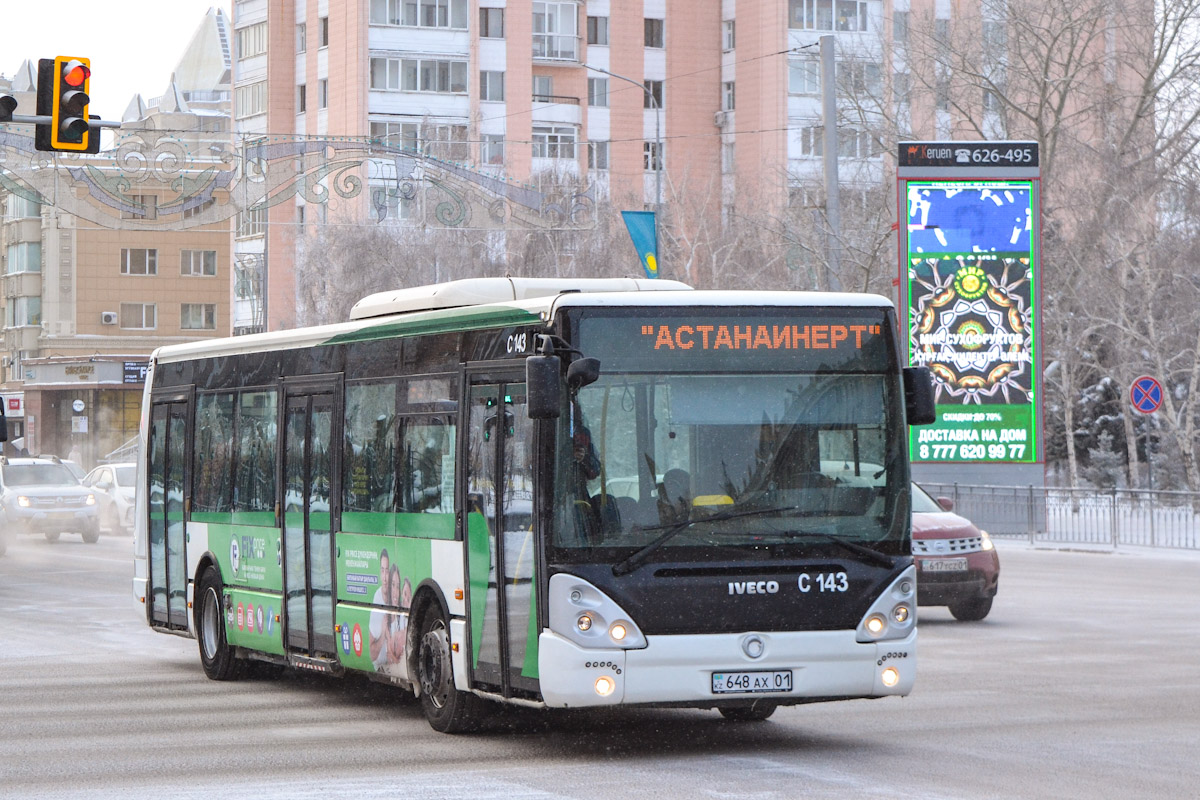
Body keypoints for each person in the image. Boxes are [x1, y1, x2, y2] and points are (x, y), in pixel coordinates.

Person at [367, 549, 392, 668]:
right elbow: (372, 654)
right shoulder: (377, 599)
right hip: (381, 668)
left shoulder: (398, 598)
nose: (385, 577)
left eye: (387, 571)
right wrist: (383, 633)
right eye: (382, 570)